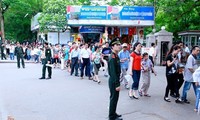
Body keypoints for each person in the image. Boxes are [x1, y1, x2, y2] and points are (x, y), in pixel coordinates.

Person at [108, 37, 122, 120]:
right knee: (113, 98)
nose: (119, 46)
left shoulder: (116, 56)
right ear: (112, 47)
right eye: (117, 45)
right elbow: (113, 73)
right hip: (113, 80)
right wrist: (117, 84)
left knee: (115, 98)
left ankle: (113, 112)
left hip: (115, 79)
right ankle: (112, 116)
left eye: (119, 44)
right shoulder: (112, 57)